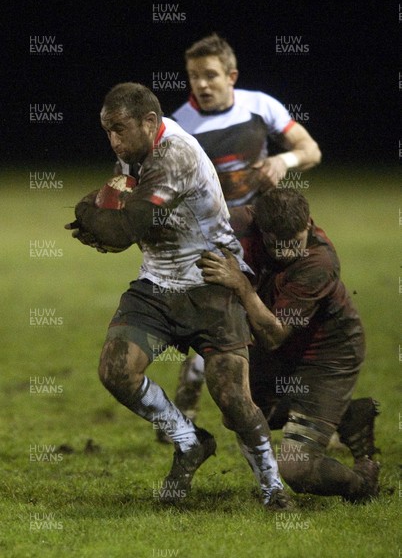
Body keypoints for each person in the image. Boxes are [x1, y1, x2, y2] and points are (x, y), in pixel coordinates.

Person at [65, 82, 293, 510]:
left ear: (149, 123)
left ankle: (272, 487)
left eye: (119, 129)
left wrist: (85, 211)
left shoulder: (175, 157)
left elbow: (121, 229)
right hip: (157, 283)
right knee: (116, 369)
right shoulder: (134, 151)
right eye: (107, 131)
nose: (113, 140)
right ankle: (190, 441)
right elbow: (123, 236)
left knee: (231, 397)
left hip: (212, 281)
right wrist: (102, 226)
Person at [159, 32, 322, 437]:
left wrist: (285, 159)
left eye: (210, 75)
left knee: (281, 322)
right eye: (194, 76)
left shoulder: (260, 105)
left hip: (267, 236)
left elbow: (311, 150)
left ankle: (308, 413)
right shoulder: (180, 125)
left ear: (231, 76)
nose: (201, 84)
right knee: (225, 326)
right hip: (215, 242)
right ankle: (190, 400)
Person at [198, 188, 380, 503]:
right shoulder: (239, 221)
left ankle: (362, 483)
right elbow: (189, 216)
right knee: (236, 412)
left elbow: (274, 334)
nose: (284, 253)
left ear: (307, 225)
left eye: (293, 243)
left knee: (297, 468)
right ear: (260, 227)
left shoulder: (319, 261)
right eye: (274, 244)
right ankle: (346, 415)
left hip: (326, 355)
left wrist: (240, 284)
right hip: (276, 350)